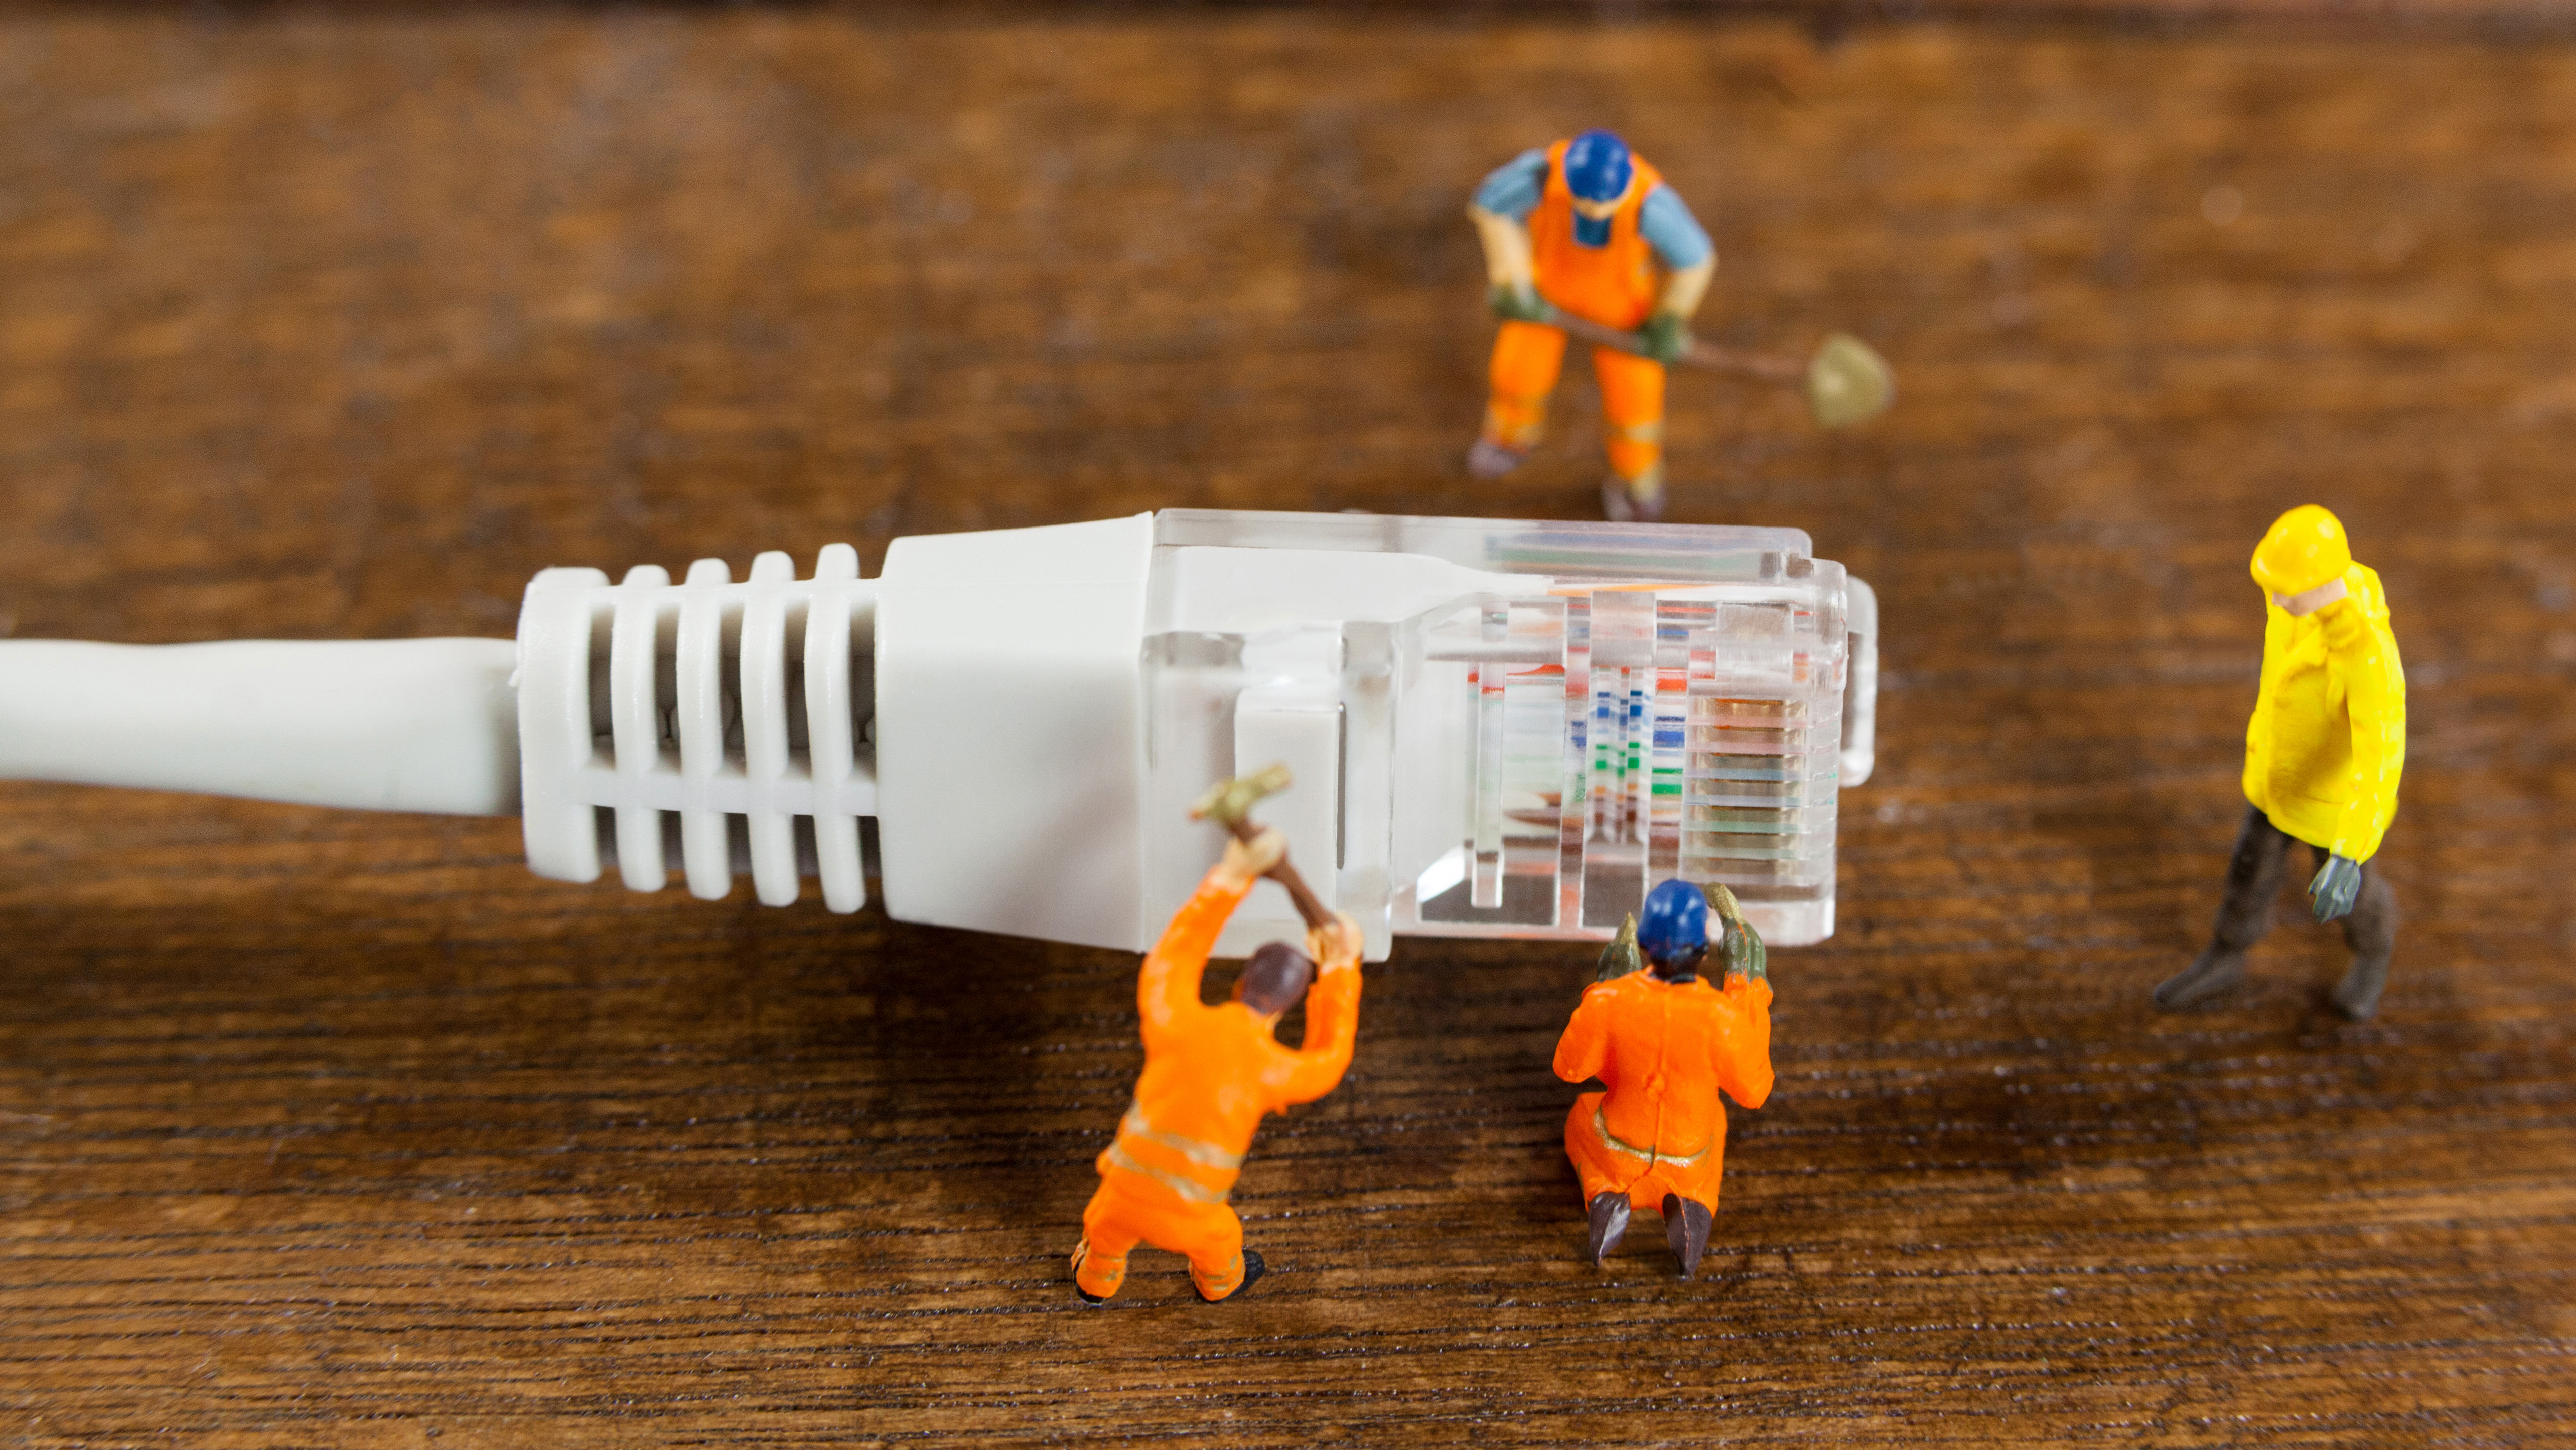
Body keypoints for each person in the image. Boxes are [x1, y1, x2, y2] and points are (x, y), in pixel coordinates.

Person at [1070, 827, 1363, 1304]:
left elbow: (1173, 958)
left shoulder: (1178, 1022)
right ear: (1286, 1007)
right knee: (1222, 1242)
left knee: (1104, 1234)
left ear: (1241, 980)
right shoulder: (1271, 1069)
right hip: (1193, 1211)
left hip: (1122, 1190)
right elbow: (1328, 1059)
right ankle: (1219, 1283)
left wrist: (1230, 879)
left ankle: (1095, 1283)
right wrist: (1340, 972)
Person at [2157, 505, 2406, 1020]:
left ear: (2321, 582)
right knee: (2247, 875)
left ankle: (2372, 954)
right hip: (2274, 784)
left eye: (2284, 589)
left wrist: (2348, 850)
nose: (2272, 599)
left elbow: (2381, 756)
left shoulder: (2366, 657)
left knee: (2353, 898)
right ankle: (2225, 956)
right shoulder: (2295, 610)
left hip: (2332, 810)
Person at [1465, 129, 1718, 522]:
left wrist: (1669, 319)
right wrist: (1511, 277)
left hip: (1622, 311)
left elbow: (1696, 260)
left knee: (1635, 396)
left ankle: (1637, 478)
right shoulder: (1542, 177)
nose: (1592, 210)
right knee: (1518, 369)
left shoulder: (1651, 205)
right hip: (1546, 295)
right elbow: (1490, 207)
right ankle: (1509, 440)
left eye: (1604, 202)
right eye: (1582, 199)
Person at [1554, 879, 1773, 1278]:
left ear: (1645, 943)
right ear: (1704, 951)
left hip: (1616, 1146)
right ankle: (1693, 1203)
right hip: (1689, 1156)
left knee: (1581, 1113)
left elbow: (1570, 1068)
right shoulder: (1722, 1020)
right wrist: (1747, 986)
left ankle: (1605, 1191)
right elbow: (1754, 1089)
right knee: (1717, 1121)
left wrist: (1605, 986)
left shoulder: (1612, 1002)